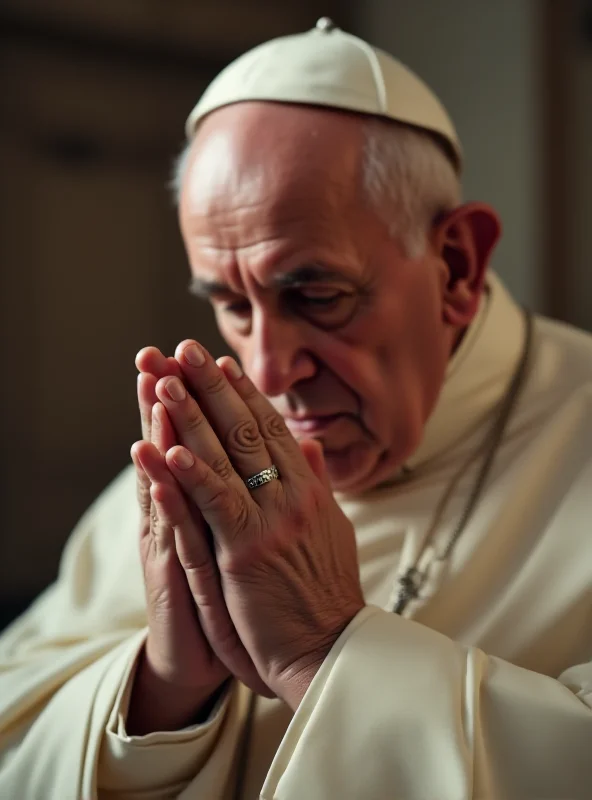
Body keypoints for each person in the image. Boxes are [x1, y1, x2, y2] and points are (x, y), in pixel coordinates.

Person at [1, 17, 591, 800]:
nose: (270, 369)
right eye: (231, 305)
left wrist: (326, 651)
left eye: (318, 296)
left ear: (456, 266)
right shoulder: (200, 463)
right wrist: (160, 684)